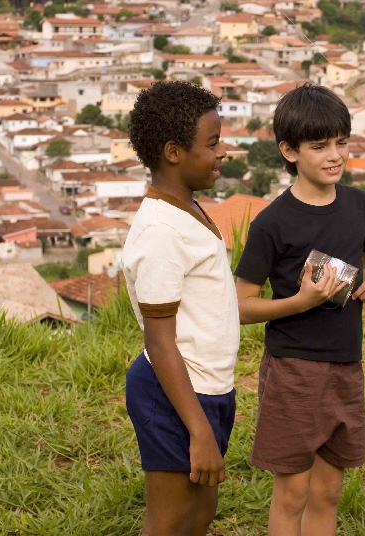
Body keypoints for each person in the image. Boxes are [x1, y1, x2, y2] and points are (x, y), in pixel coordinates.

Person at [234, 84, 365, 536]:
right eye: (320, 146)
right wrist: (301, 302)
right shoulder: (272, 223)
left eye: (341, 142)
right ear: (289, 150)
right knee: (293, 492)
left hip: (346, 365)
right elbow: (241, 305)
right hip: (293, 370)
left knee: (327, 492)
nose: (334, 155)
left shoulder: (360, 205)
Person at [122, 80, 238, 536]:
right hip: (173, 393)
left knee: (200, 512)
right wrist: (199, 429)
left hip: (204, 387)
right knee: (170, 521)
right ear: (173, 152)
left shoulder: (187, 208)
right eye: (212, 144)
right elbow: (160, 339)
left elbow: (212, 306)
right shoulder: (161, 233)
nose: (222, 152)